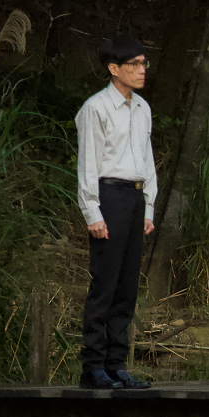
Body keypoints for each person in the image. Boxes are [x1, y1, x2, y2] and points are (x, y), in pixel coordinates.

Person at [75, 34, 157, 390]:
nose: (142, 70)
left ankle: (117, 364)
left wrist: (148, 205)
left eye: (144, 63)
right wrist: (92, 211)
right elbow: (88, 163)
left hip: (135, 197)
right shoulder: (96, 108)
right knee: (105, 284)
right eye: (134, 64)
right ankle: (93, 366)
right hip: (108, 196)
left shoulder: (142, 109)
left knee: (127, 286)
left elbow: (146, 160)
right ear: (114, 68)